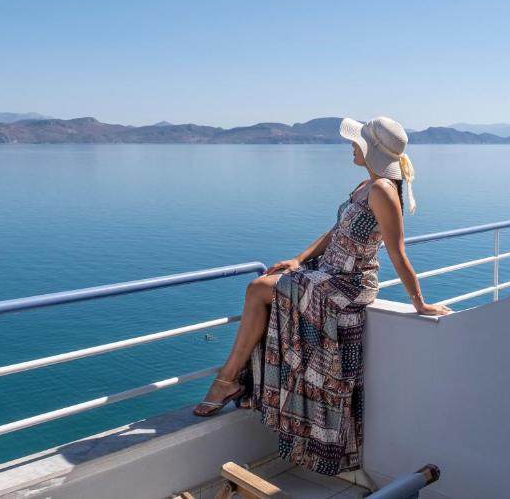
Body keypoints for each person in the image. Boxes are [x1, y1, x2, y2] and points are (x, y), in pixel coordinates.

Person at [192, 116, 451, 476]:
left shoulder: (382, 192)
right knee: (263, 287)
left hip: (349, 283)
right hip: (327, 273)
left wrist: (418, 303)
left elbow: (398, 252)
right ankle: (230, 380)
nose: (350, 146)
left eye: (356, 142)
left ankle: (226, 380)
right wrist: (299, 259)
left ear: (370, 150)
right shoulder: (366, 185)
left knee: (257, 289)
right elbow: (335, 231)